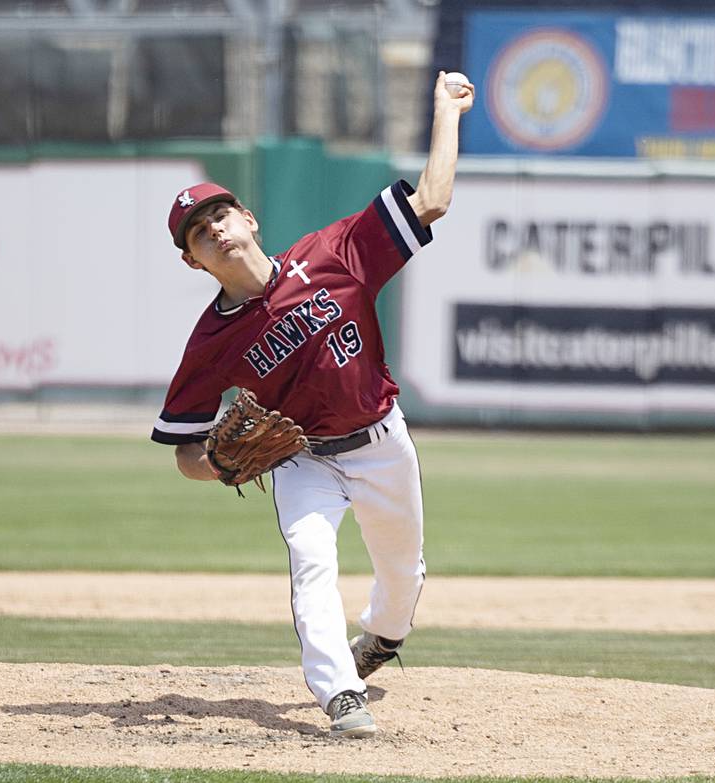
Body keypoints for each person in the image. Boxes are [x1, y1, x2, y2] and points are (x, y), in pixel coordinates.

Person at [152, 71, 475, 738]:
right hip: (303, 459)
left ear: (249, 219)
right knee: (310, 560)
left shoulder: (336, 252)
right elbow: (184, 449)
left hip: (383, 438)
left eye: (219, 215)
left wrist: (445, 112)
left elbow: (434, 200)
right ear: (192, 262)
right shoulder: (209, 344)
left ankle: (383, 638)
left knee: (401, 570)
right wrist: (218, 465)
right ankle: (339, 693)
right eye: (197, 232)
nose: (213, 229)